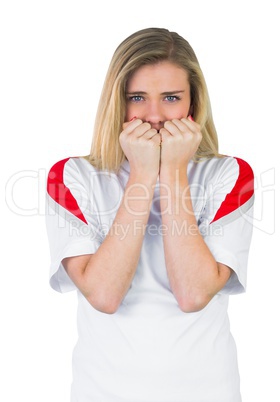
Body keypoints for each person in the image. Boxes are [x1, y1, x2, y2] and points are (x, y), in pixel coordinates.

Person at [45, 27, 254, 402]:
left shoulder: (230, 175)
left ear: (194, 104)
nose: (154, 116)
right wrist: (142, 174)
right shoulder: (71, 177)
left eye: (171, 97)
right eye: (137, 98)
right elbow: (104, 296)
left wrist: (172, 171)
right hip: (103, 393)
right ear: (117, 103)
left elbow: (192, 295)